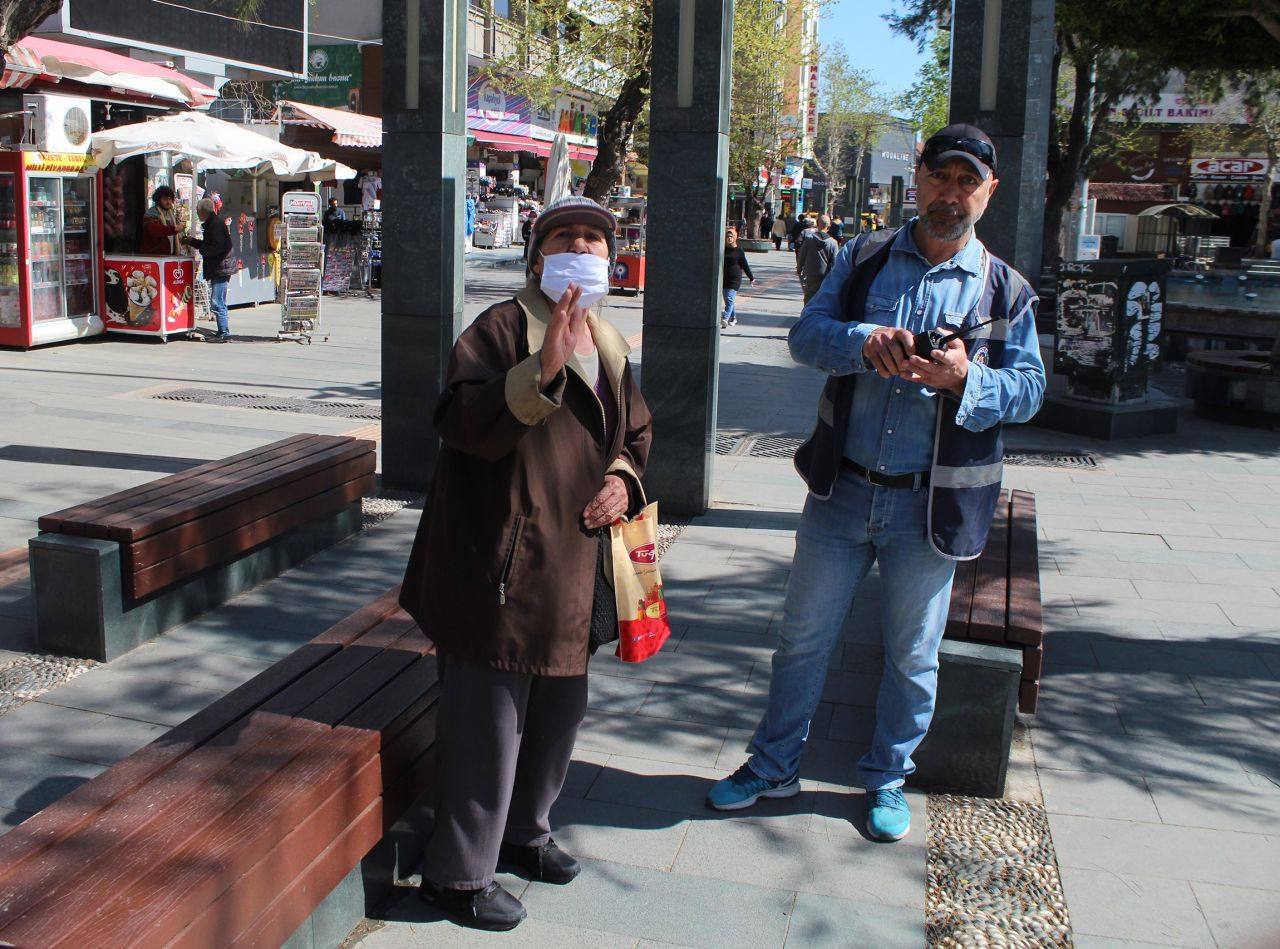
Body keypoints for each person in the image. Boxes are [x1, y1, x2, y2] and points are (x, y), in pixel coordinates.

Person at [706, 124, 1045, 843]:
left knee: (913, 654)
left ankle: (887, 775)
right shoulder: (862, 257)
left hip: (931, 504)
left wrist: (965, 380)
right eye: (940, 177)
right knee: (801, 637)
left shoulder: (1004, 288)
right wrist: (864, 342)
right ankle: (774, 764)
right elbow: (805, 336)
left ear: (989, 191)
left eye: (967, 182)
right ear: (917, 178)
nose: (951, 194)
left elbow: (1029, 390)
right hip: (843, 491)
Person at [399, 196, 653, 932]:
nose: (583, 246)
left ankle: (524, 832)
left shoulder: (607, 337)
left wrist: (623, 479)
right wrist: (539, 373)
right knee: (488, 723)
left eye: (595, 238)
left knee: (559, 713)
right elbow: (460, 423)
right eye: (567, 236)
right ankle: (457, 874)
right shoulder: (501, 327)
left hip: (577, 566)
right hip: (502, 564)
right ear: (539, 253)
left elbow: (635, 431)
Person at [181, 198, 234, 342]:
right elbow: (210, 243)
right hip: (220, 267)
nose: (197, 214)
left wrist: (203, 250)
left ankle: (224, 332)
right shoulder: (213, 223)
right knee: (218, 300)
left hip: (221, 267)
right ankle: (222, 331)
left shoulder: (215, 225)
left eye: (198, 211)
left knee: (217, 301)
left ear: (203, 211)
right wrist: (193, 241)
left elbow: (216, 246)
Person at [795, 214, 840, 303]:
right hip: (826, 276)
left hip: (810, 273)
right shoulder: (833, 243)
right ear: (829, 226)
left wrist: (799, 268)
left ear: (818, 224)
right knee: (823, 298)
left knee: (809, 297)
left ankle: (808, 314)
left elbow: (801, 255)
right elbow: (835, 262)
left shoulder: (809, 239)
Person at [721, 227, 756, 329]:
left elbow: (745, 265)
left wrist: (751, 277)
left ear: (735, 237)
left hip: (735, 278)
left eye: (731, 236)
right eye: (727, 236)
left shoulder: (739, 251)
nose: (729, 238)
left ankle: (725, 318)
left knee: (730, 298)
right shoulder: (723, 249)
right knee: (728, 300)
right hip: (724, 278)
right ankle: (733, 318)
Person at [139, 186, 181, 256]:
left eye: (170, 199)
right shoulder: (151, 213)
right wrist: (174, 229)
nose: (168, 202)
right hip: (154, 255)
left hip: (169, 254)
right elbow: (155, 230)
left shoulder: (170, 213)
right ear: (158, 200)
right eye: (165, 199)